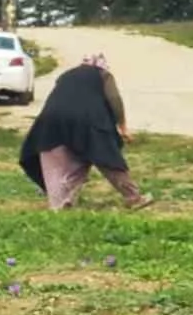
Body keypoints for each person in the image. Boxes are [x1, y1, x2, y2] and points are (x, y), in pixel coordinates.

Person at [18, 54, 154, 211]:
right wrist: (122, 126)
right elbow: (114, 98)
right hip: (88, 120)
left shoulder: (66, 75)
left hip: (51, 119)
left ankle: (59, 204)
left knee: (55, 164)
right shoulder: (102, 74)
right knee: (107, 158)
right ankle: (134, 198)